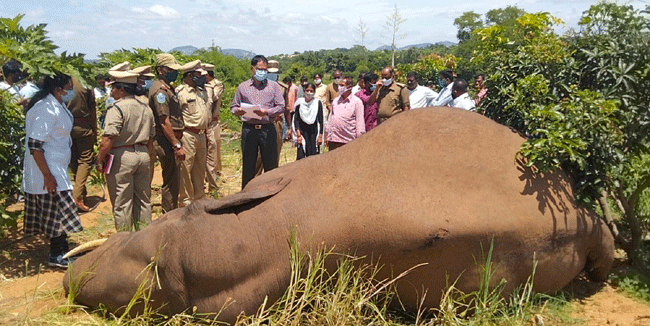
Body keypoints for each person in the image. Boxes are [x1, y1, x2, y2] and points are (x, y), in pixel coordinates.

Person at [23, 72, 82, 268]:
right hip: (46, 168)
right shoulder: (46, 109)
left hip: (56, 165)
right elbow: (35, 144)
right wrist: (47, 175)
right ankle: (57, 254)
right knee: (57, 211)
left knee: (58, 211)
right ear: (58, 89)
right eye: (69, 87)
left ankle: (61, 250)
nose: (72, 91)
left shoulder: (56, 105)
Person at [97, 70, 155, 231]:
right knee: (143, 200)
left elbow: (108, 138)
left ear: (122, 89)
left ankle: (124, 241)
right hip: (143, 154)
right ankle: (145, 237)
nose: (111, 91)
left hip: (122, 157)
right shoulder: (145, 107)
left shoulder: (117, 108)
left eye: (113, 88)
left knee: (122, 202)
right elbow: (151, 137)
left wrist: (100, 159)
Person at [231, 55, 285, 188]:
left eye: (264, 69)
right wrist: (238, 111)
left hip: (267, 129)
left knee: (271, 166)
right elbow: (233, 107)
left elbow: (281, 107)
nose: (262, 72)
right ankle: (246, 195)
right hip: (249, 129)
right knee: (249, 165)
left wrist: (266, 112)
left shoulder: (274, 87)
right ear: (252, 68)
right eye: (259, 69)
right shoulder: (243, 87)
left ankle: (271, 194)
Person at [148, 53, 185, 212]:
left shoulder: (166, 88)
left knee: (174, 180)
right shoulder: (160, 92)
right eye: (170, 69)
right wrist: (176, 145)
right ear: (160, 70)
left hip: (168, 140)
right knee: (171, 182)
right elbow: (164, 121)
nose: (174, 72)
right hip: (165, 141)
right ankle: (169, 215)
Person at [176, 60, 210, 204]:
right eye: (198, 74)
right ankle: (186, 202)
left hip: (202, 135)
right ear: (190, 76)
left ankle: (199, 199)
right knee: (185, 170)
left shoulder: (202, 91)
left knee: (199, 169)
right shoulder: (180, 92)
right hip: (187, 135)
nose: (202, 77)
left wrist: (207, 133)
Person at [67, 77, 97, 212]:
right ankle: (77, 196)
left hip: (65, 127)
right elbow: (92, 109)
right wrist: (95, 129)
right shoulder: (85, 81)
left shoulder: (60, 81)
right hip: (83, 126)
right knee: (85, 160)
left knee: (73, 161)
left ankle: (81, 195)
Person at [202, 63, 224, 193]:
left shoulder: (217, 85)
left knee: (214, 151)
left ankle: (214, 178)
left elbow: (213, 98)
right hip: (204, 123)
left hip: (214, 122)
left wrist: (206, 87)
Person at [326, 76, 365, 150]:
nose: (339, 87)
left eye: (342, 85)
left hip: (348, 141)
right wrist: (328, 135)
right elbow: (330, 118)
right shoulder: (335, 101)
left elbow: (360, 123)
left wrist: (359, 139)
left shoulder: (357, 102)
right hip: (334, 140)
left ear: (349, 87)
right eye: (339, 85)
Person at [292, 83, 323, 159]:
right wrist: (298, 135)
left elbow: (321, 120)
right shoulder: (299, 103)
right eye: (307, 90)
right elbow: (296, 120)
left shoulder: (317, 103)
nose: (309, 93)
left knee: (314, 155)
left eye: (311, 91)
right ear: (304, 91)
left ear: (314, 92)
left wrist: (320, 136)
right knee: (301, 155)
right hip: (302, 132)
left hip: (313, 132)